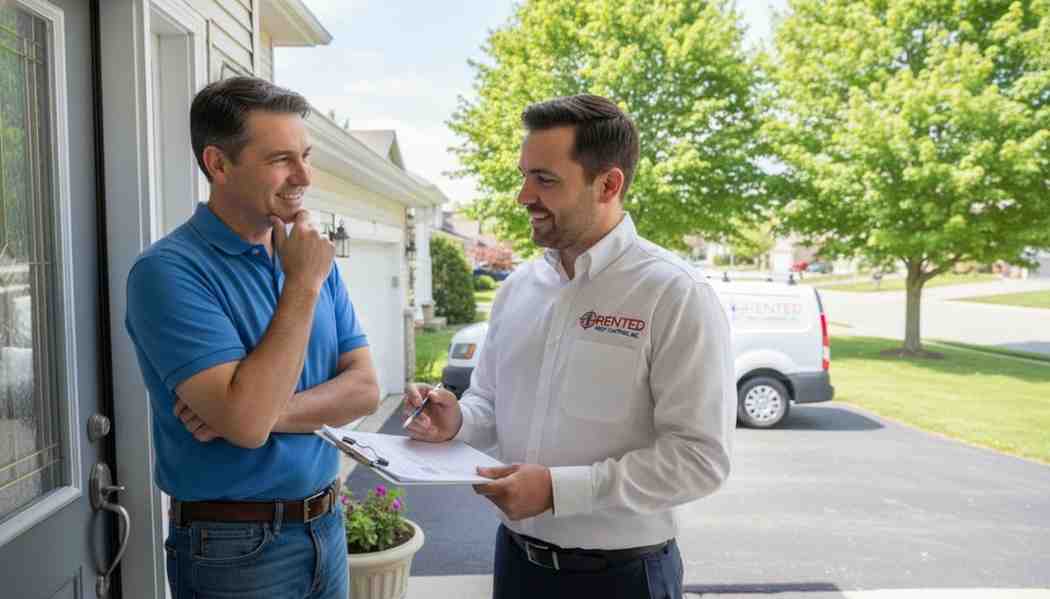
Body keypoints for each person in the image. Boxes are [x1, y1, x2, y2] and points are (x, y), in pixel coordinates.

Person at [403, 94, 735, 599]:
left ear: (609, 184)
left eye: (545, 180)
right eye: (524, 175)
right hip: (515, 564)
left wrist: (559, 491)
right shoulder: (518, 288)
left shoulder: (674, 293)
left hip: (623, 579)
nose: (523, 196)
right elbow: (488, 400)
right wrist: (457, 420)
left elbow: (699, 458)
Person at [126, 76, 380, 599]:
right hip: (234, 548)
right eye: (280, 159)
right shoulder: (169, 272)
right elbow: (244, 423)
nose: (304, 176)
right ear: (218, 164)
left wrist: (266, 414)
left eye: (305, 155)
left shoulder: (307, 253)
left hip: (325, 526)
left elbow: (365, 390)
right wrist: (303, 284)